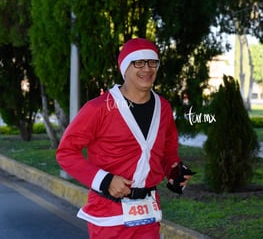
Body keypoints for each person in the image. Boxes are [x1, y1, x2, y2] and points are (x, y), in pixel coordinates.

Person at [56, 38, 194, 239]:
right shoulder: (98, 108)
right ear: (124, 68)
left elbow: (167, 150)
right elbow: (66, 153)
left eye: (152, 62)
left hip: (148, 216)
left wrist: (174, 171)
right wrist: (105, 180)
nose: (147, 69)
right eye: (138, 62)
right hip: (108, 216)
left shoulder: (163, 107)